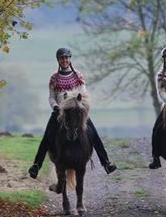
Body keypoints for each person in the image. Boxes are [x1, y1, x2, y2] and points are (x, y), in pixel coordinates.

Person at [28, 47, 117, 179]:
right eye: (61, 58)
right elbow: (51, 97)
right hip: (59, 113)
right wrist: (55, 106)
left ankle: (106, 163)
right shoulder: (54, 78)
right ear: (58, 60)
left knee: (94, 135)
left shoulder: (78, 76)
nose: (64, 60)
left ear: (70, 59)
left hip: (76, 112)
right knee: (47, 136)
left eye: (66, 58)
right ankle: (36, 165)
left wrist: (80, 107)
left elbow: (83, 95)